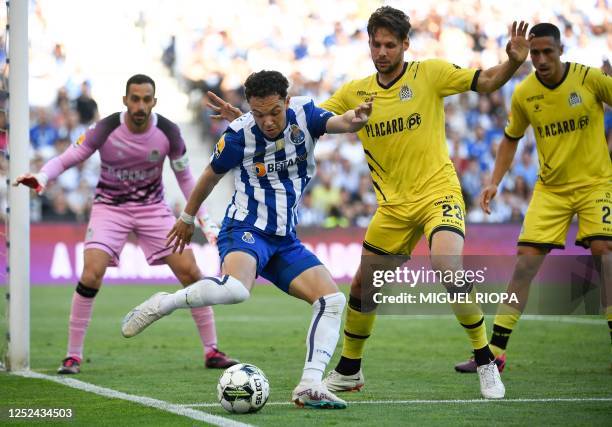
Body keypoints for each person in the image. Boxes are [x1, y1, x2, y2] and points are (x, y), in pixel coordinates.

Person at [207, 7, 529, 399]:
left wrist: (512, 61)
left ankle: (484, 361)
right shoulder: (354, 92)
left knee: (447, 263)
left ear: (405, 44)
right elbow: (295, 124)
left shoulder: (430, 74)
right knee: (363, 286)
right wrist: (245, 118)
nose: (381, 51)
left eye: (390, 45)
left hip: (437, 193)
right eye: (376, 44)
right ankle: (348, 371)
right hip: (392, 208)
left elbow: (490, 80)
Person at [121, 70, 373, 409]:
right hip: (245, 228)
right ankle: (165, 303)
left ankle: (310, 384)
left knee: (332, 300)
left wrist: (354, 120)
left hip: (284, 239)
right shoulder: (238, 135)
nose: (267, 121)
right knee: (237, 290)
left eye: (274, 112)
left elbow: (340, 122)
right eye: (258, 114)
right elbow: (210, 175)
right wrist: (186, 216)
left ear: (287, 101)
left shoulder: (305, 114)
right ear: (249, 108)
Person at [14, 74, 237, 374]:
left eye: (146, 99)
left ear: (154, 102)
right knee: (91, 273)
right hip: (110, 208)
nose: (140, 105)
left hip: (152, 209)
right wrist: (42, 177)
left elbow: (185, 178)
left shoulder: (169, 131)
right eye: (135, 98)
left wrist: (205, 220)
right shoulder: (106, 127)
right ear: (125, 100)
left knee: (191, 271)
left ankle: (212, 351)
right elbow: (70, 157)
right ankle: (73, 356)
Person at [455, 23, 612, 373]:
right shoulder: (525, 93)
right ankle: (495, 351)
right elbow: (511, 138)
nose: (540, 59)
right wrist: (494, 181)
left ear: (560, 50)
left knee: (605, 252)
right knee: (525, 263)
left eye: (547, 52)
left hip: (595, 184)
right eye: (535, 53)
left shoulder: (589, 79)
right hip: (551, 190)